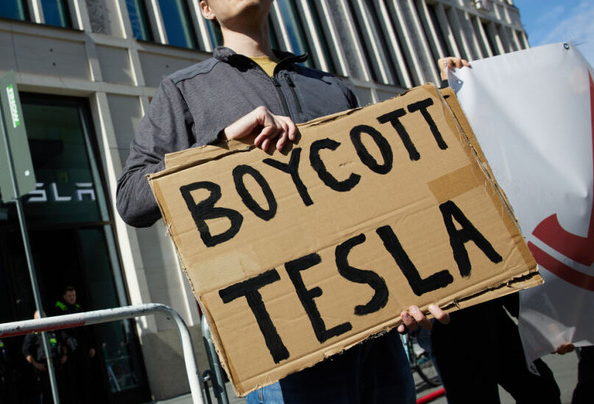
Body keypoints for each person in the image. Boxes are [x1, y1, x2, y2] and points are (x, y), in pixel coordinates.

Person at [116, 1, 449, 402]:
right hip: (286, 352)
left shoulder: (331, 86)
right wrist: (220, 146)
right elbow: (131, 199)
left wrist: (416, 283)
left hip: (380, 335)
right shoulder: (184, 90)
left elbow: (381, 200)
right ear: (205, 9)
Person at [426, 58, 561, 404]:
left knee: (542, 391)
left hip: (493, 300)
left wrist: (550, 322)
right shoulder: (431, 177)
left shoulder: (483, 168)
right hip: (453, 314)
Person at [51, 286, 102, 403]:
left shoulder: (79, 308)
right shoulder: (59, 309)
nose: (72, 298)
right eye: (69, 296)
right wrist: (64, 347)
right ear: (64, 297)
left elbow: (87, 329)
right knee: (72, 380)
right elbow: (58, 331)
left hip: (82, 348)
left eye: (73, 295)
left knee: (86, 377)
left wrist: (91, 346)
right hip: (69, 350)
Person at [22, 310, 68, 404]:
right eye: (39, 318)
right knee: (46, 394)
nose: (42, 320)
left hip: (57, 365)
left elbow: (63, 342)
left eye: (43, 317)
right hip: (43, 368)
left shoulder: (53, 330)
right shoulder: (32, 333)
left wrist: (64, 355)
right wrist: (36, 364)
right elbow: (26, 351)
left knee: (62, 391)